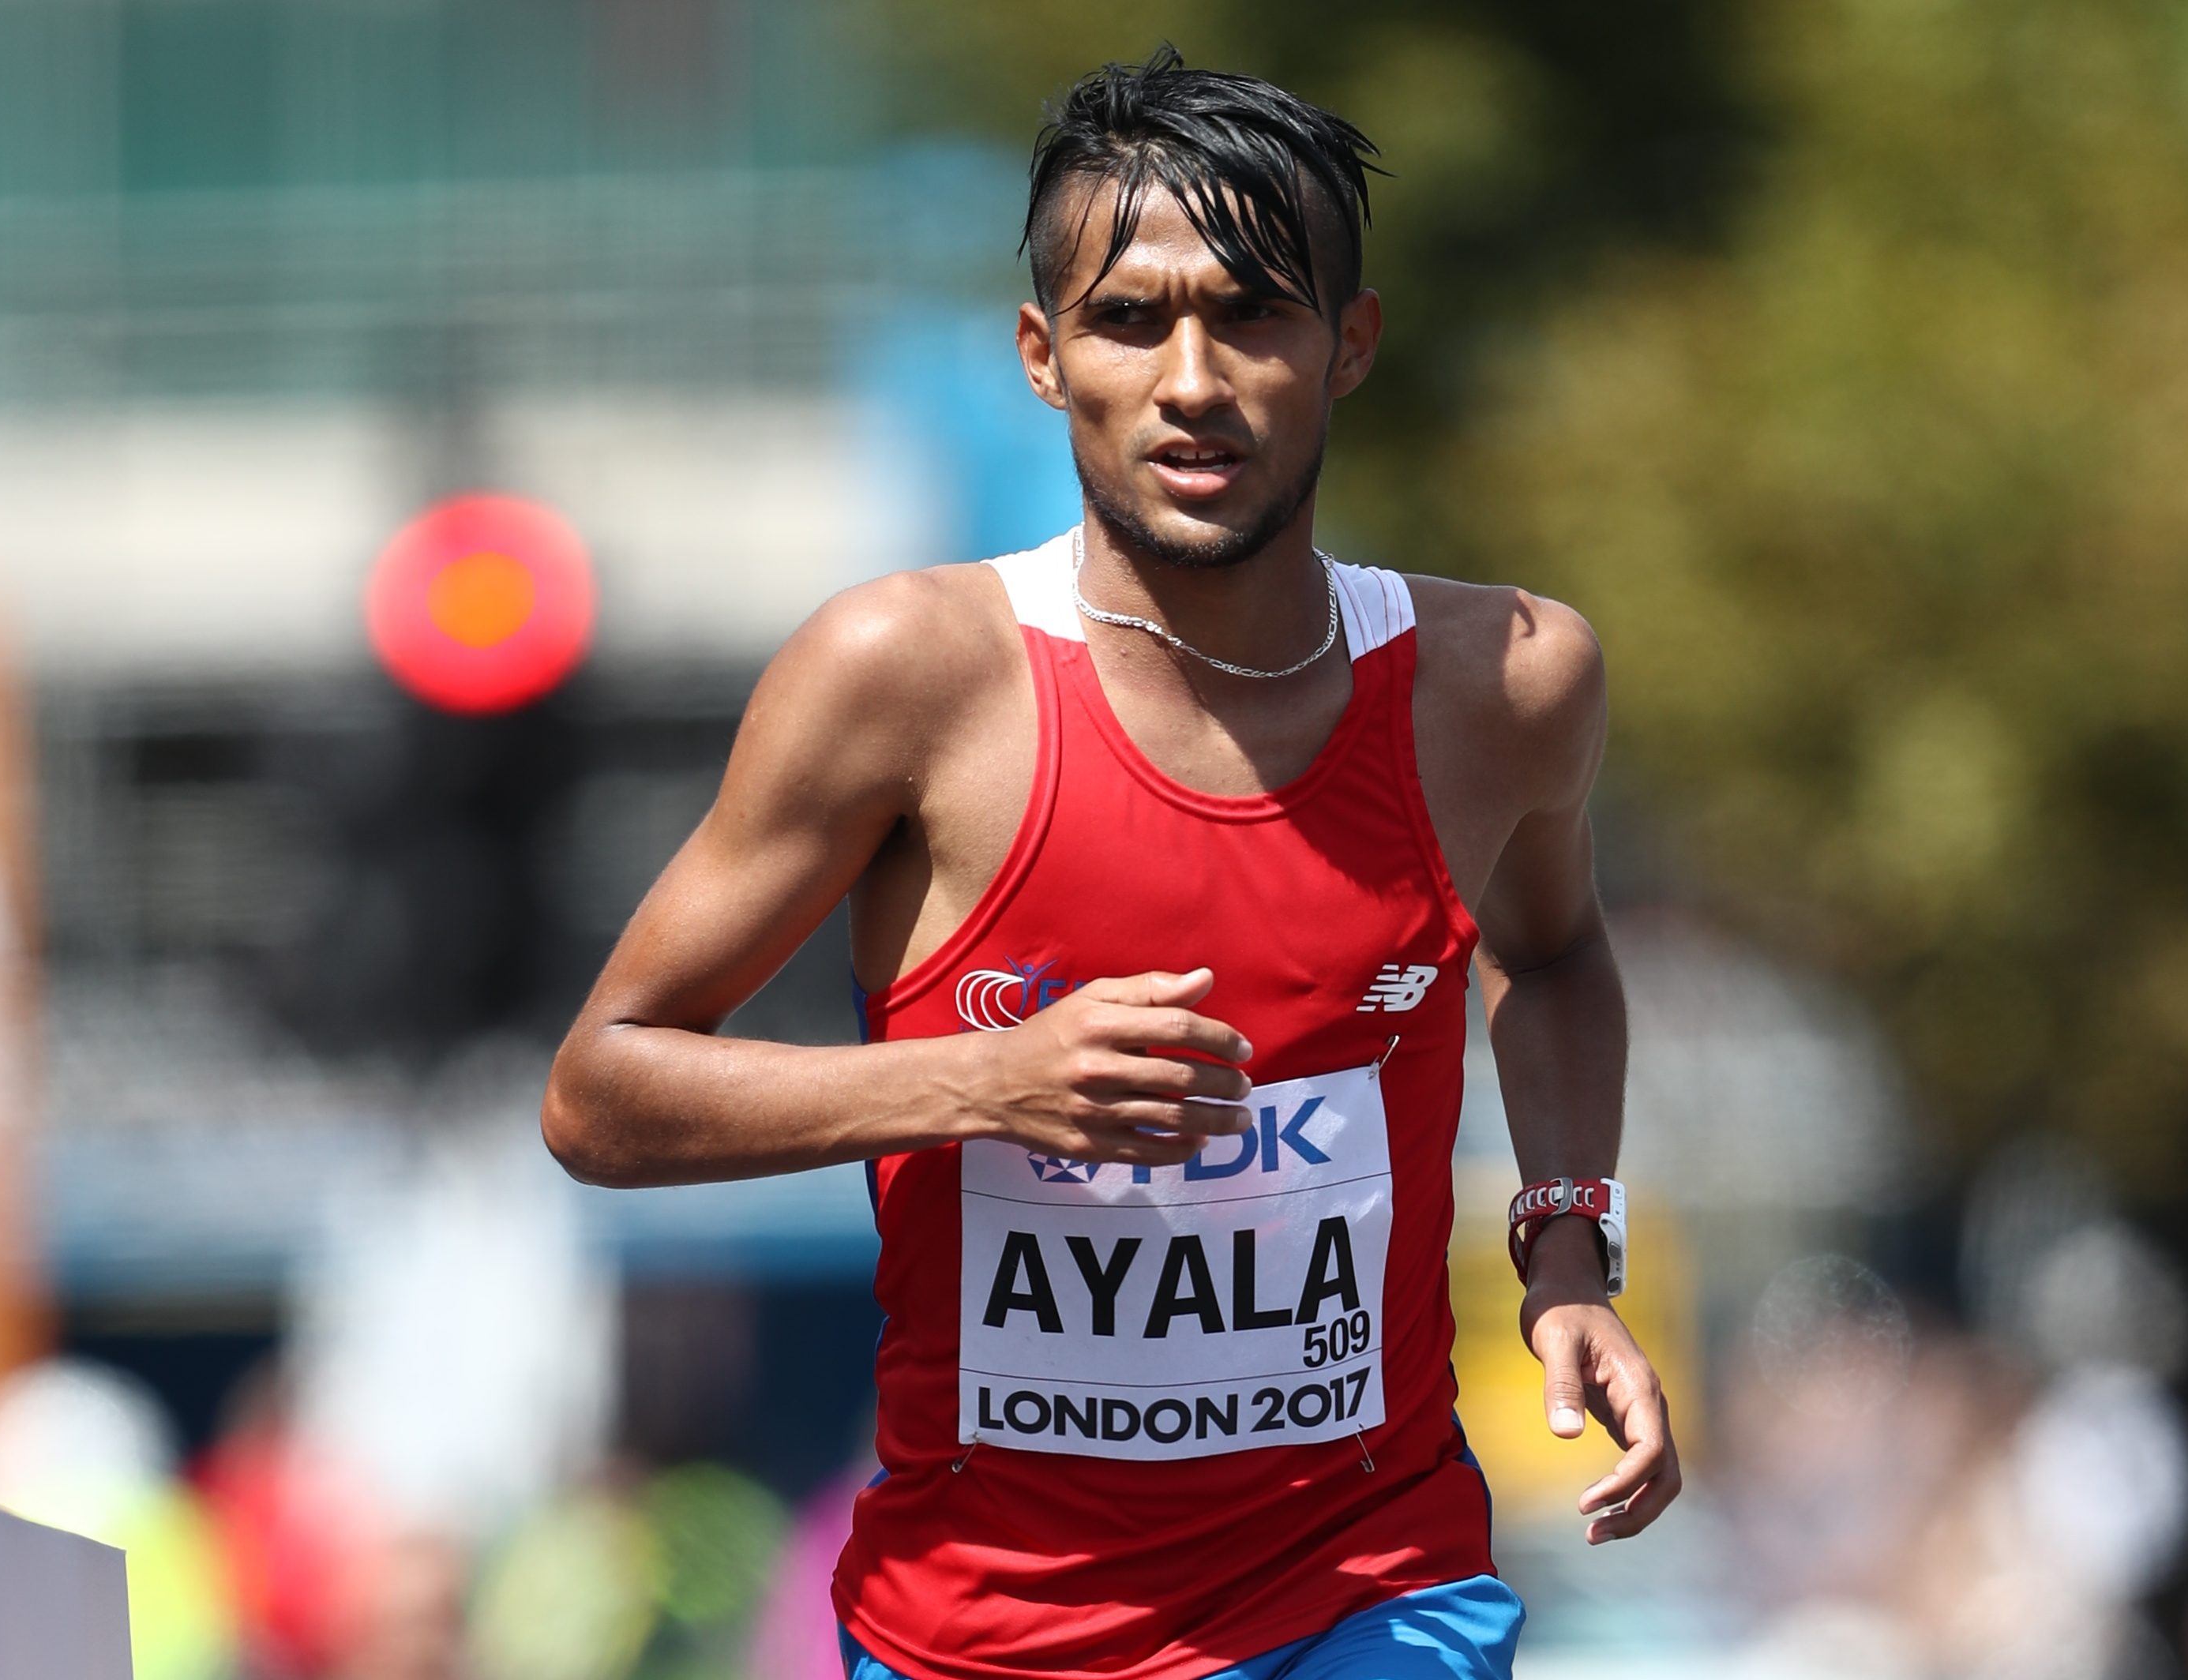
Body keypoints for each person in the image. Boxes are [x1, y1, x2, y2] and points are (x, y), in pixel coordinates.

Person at [542, 46, 1678, 1680]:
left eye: (1256, 312)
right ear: (1042, 354)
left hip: (1371, 1590)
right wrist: (983, 1081)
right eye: (1131, 319)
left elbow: (1556, 954)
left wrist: (1568, 1244)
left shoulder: (1502, 684)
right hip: (984, 1629)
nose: (1194, 377)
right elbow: (600, 1092)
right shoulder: (905, 677)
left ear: (1350, 343)